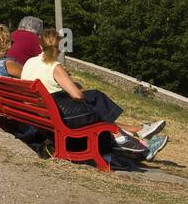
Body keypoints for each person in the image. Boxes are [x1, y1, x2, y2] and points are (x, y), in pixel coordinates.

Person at [21, 28, 169, 161]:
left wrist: (67, 82)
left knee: (94, 100)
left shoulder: (29, 62)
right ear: (59, 47)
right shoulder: (54, 67)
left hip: (40, 113)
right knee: (95, 99)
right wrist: (69, 80)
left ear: (40, 46)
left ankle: (135, 135)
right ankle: (123, 136)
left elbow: (50, 87)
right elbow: (77, 95)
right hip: (56, 115)